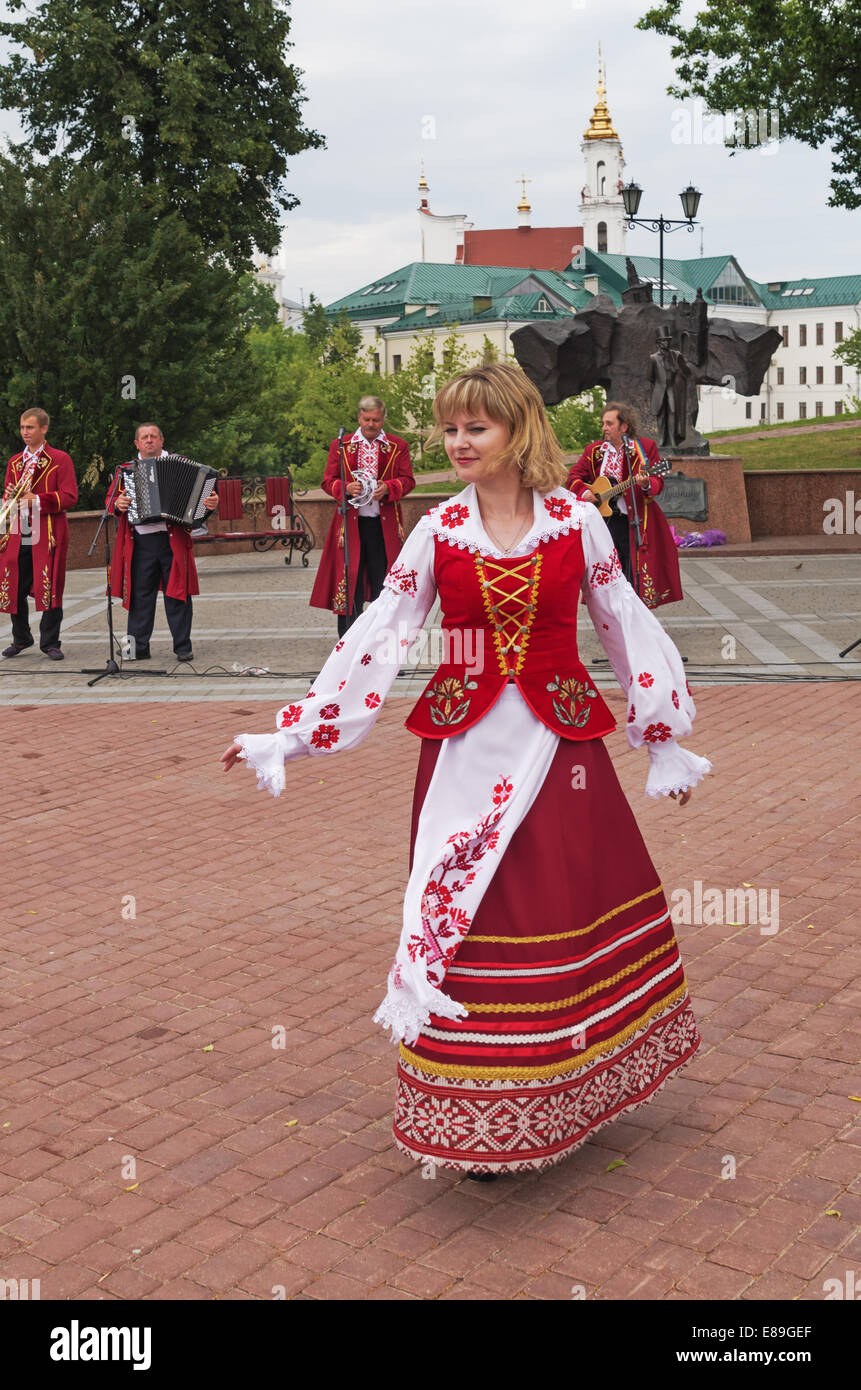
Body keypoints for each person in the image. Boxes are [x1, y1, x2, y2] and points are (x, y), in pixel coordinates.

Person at [222, 362, 711, 1178]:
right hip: (461, 744)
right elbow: (382, 631)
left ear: (517, 431)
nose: (457, 443)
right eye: (449, 429)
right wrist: (295, 735)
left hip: (560, 743)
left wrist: (661, 736)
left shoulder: (577, 522)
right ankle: (475, 1100)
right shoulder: (437, 528)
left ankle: (566, 1087)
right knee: (466, 903)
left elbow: (621, 619)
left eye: (474, 429)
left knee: (556, 898)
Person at [106, 423, 218, 662]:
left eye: (153, 437)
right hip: (140, 542)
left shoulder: (182, 463)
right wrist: (118, 504)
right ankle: (138, 647)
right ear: (137, 444)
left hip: (172, 541)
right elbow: (111, 500)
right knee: (139, 596)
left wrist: (210, 503)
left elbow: (205, 497)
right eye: (144, 438)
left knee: (178, 594)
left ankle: (182, 646)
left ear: (161, 441)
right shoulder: (125, 470)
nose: (149, 441)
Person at [310, 396, 415, 637]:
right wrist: (345, 488)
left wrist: (389, 488)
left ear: (383, 419)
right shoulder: (343, 445)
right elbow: (327, 481)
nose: (371, 424)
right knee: (350, 581)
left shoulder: (397, 445)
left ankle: (382, 639)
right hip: (350, 526)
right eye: (367, 419)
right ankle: (348, 639)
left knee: (384, 582)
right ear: (359, 417)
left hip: (384, 526)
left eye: (376, 420)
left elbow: (409, 480)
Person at [568, 401, 682, 609]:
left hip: (635, 521)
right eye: (603, 423)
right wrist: (585, 492)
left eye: (609, 423)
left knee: (633, 571)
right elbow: (574, 476)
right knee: (607, 571)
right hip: (603, 523)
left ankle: (634, 614)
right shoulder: (594, 451)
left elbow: (658, 483)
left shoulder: (643, 448)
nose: (603, 428)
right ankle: (612, 613)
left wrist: (647, 483)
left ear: (624, 427)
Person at [1, 408, 78, 661]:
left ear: (44, 429)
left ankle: (50, 642)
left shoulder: (59, 459)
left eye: (30, 427)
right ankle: (21, 638)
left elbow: (69, 496)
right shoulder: (14, 462)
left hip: (47, 531)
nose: (25, 432)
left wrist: (38, 500)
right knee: (14, 587)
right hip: (18, 531)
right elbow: (8, 499)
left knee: (51, 585)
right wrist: (10, 496)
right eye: (23, 427)